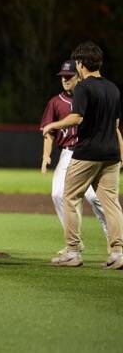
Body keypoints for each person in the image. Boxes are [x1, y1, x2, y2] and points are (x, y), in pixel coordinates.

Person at [42, 42, 123, 269]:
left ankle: (72, 251)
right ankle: (118, 253)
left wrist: (53, 125)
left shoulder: (83, 88)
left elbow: (77, 118)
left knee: (69, 197)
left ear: (81, 63)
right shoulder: (113, 89)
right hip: (111, 154)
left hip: (88, 152)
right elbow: (116, 126)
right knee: (111, 203)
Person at [40, 60, 107, 251]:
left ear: (78, 76)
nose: (65, 79)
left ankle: (115, 240)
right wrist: (46, 156)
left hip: (87, 152)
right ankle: (74, 243)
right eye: (62, 76)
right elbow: (48, 133)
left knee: (94, 198)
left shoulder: (89, 97)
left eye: (69, 76)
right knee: (57, 194)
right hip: (68, 154)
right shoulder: (55, 102)